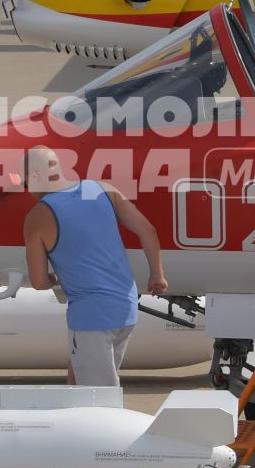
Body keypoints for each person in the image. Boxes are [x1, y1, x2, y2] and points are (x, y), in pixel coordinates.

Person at [21, 146, 168, 386]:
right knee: (77, 380)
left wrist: (54, 280)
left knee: (96, 399)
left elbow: (38, 282)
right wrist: (157, 275)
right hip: (126, 308)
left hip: (91, 318)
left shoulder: (38, 217)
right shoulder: (102, 189)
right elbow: (148, 231)